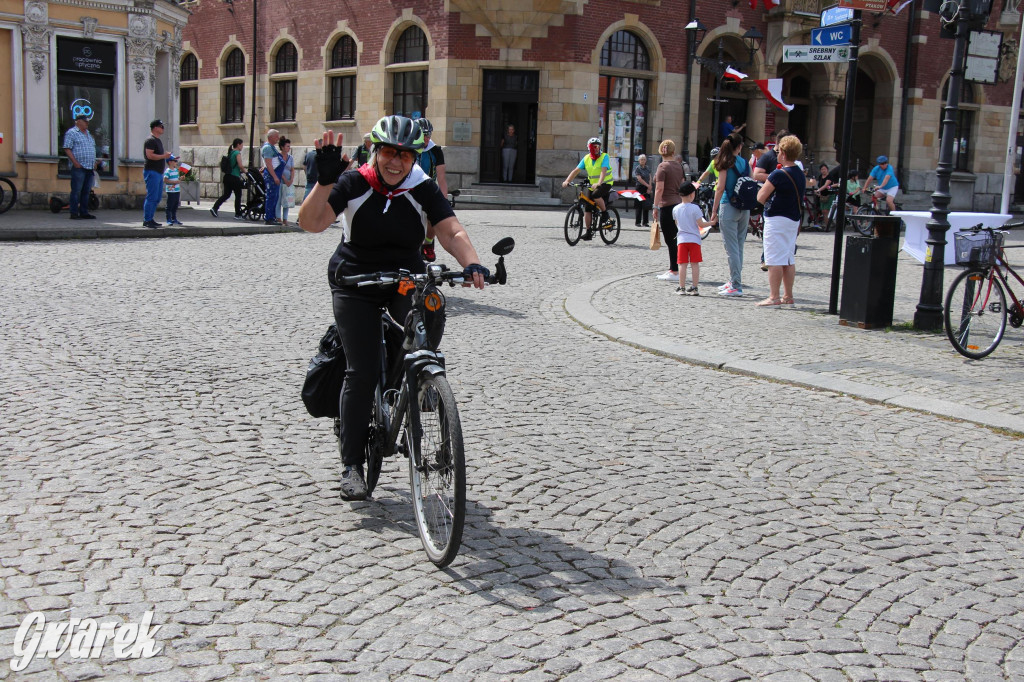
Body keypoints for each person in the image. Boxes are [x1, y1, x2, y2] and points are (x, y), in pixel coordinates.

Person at [297, 115, 488, 501]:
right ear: (375, 151)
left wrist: (471, 261)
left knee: (433, 305)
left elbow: (451, 230)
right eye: (388, 152)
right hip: (356, 281)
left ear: (414, 156)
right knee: (362, 369)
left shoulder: (422, 186)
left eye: (404, 154)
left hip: (405, 276)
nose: (395, 162)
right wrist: (324, 182)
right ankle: (351, 465)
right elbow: (311, 223)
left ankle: (415, 380)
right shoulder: (354, 182)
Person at [755, 135, 806, 306]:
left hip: (776, 218)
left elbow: (761, 196)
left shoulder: (778, 174)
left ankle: (774, 296)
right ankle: (788, 295)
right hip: (793, 219)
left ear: (783, 153)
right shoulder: (799, 173)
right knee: (788, 258)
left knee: (774, 259)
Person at [709, 134, 752, 297]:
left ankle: (736, 284)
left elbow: (720, 188)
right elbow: (752, 181)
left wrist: (714, 209)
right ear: (739, 146)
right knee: (739, 246)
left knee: (731, 247)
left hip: (729, 206)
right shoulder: (745, 163)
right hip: (744, 208)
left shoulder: (725, 163)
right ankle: (734, 279)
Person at [561, 137, 614, 240]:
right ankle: (588, 232)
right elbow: (576, 170)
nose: (596, 148)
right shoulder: (586, 158)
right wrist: (567, 181)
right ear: (589, 148)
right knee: (588, 207)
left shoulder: (604, 156)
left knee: (595, 195)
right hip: (593, 184)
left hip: (605, 183)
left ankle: (604, 213)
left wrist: (599, 183)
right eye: (594, 147)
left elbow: (603, 171)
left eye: (598, 146)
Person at [672, 182, 716, 296]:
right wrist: (712, 222)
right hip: (695, 240)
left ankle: (681, 287)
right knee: (695, 264)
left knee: (682, 264)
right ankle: (694, 287)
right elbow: (701, 223)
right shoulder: (695, 208)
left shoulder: (675, 209)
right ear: (692, 194)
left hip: (681, 240)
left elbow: (677, 223)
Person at [652, 139, 684, 281]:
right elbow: (682, 184)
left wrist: (655, 206)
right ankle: (676, 268)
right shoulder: (678, 166)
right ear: (673, 151)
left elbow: (659, 188)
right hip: (678, 203)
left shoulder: (662, 167)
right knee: (676, 238)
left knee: (670, 239)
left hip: (667, 205)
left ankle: (675, 271)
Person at [416, 119, 447, 262]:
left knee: (434, 217)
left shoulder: (435, 150)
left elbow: (441, 178)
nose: (426, 139)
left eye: (428, 135)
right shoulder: (408, 148)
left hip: (429, 188)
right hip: (410, 189)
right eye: (423, 135)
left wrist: (444, 200)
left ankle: (428, 243)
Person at [62, 113, 99, 220]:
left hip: (89, 167)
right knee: (76, 190)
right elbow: (67, 148)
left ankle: (84, 212)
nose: (87, 123)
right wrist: (75, 162)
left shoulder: (88, 134)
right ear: (78, 121)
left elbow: (92, 149)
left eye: (87, 121)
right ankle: (74, 212)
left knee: (86, 191)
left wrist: (94, 162)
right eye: (85, 121)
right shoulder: (72, 133)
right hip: (79, 167)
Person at [143, 119, 173, 229]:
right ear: (155, 128)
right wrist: (163, 156)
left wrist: (167, 157)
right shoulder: (150, 140)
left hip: (158, 172)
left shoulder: (158, 140)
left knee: (157, 197)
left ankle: (150, 218)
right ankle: (147, 220)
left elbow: (157, 155)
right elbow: (150, 155)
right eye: (161, 126)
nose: (163, 128)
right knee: (151, 196)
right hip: (152, 171)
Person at [211, 138, 246, 219]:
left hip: (227, 177)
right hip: (234, 177)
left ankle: (215, 208)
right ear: (238, 144)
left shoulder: (230, 152)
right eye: (242, 144)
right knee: (238, 195)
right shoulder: (237, 153)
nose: (242, 146)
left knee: (226, 195)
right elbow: (240, 165)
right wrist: (246, 171)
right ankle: (238, 214)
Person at [261, 128, 282, 225]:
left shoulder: (271, 147)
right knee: (271, 196)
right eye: (276, 136)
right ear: (271, 137)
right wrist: (275, 177)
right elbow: (269, 164)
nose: (278, 138)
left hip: (274, 174)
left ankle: (272, 217)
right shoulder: (268, 148)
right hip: (271, 176)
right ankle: (269, 218)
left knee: (275, 196)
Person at [276, 137, 295, 226]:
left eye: (289, 146)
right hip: (280, 181)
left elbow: (292, 169)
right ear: (282, 147)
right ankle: (278, 217)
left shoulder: (290, 158)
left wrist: (291, 180)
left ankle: (285, 219)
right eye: (287, 146)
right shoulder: (278, 156)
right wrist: (285, 179)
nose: (289, 148)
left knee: (287, 200)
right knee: (279, 200)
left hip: (288, 182)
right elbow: (279, 170)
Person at [632, 154, 652, 227]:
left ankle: (645, 222)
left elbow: (650, 177)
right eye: (641, 159)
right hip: (640, 188)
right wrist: (647, 185)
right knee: (639, 205)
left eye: (644, 159)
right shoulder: (638, 168)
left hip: (647, 188)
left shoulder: (647, 168)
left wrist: (650, 187)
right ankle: (638, 222)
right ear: (639, 161)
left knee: (646, 204)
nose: (643, 161)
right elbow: (639, 179)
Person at [163, 155, 183, 226]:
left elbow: (178, 180)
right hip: (171, 191)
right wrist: (174, 182)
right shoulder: (168, 171)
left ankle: (174, 218)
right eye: (175, 161)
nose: (176, 162)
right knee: (170, 205)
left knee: (175, 204)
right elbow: (165, 180)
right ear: (170, 162)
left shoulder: (176, 170)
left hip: (177, 190)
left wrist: (180, 178)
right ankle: (169, 219)